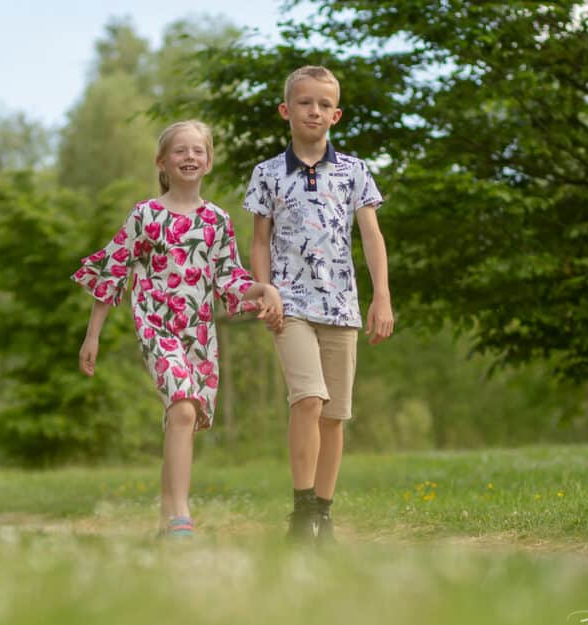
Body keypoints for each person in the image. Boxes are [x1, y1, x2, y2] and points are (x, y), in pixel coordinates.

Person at [73, 120, 283, 540]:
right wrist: (92, 334)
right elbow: (112, 272)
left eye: (197, 151)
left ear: (208, 161)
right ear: (163, 162)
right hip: (155, 326)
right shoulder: (145, 215)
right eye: (180, 151)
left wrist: (263, 289)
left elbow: (229, 280)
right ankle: (181, 515)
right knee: (184, 407)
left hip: (198, 333)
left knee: (182, 417)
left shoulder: (217, 221)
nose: (189, 157)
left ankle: (166, 515)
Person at [243, 65, 394, 545]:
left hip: (342, 306)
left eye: (324, 104)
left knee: (334, 415)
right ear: (287, 111)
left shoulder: (355, 171)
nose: (315, 111)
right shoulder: (267, 173)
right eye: (305, 102)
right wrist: (264, 290)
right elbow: (259, 240)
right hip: (289, 306)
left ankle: (323, 515)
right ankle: (301, 510)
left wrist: (381, 298)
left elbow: (371, 236)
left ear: (337, 114)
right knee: (308, 400)